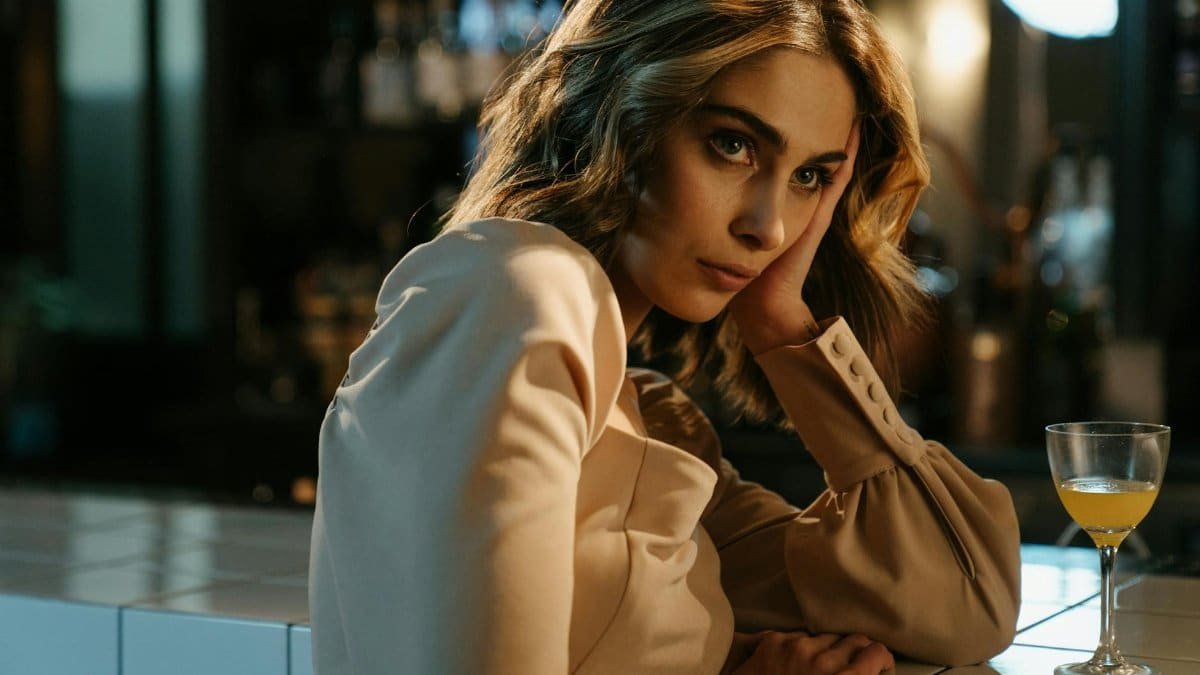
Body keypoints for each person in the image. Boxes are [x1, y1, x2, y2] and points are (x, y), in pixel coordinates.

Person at [308, 0, 1022, 673]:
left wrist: (785, 324)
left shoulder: (655, 424)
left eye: (809, 176)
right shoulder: (515, 290)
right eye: (732, 144)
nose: (769, 226)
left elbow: (966, 605)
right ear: (624, 119)